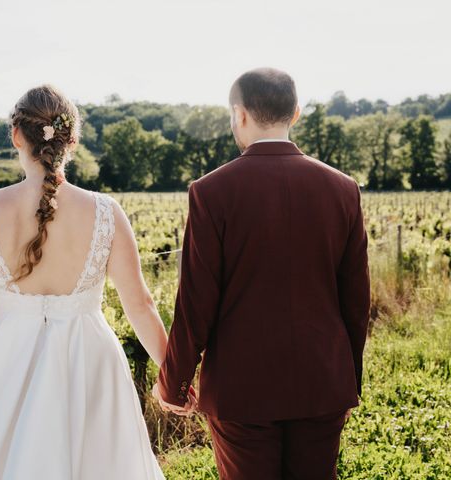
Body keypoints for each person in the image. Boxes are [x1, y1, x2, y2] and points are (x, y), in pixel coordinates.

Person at [0, 84, 179, 479]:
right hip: (91, 359)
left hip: (8, 355)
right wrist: (174, 377)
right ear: (73, 141)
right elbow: (140, 306)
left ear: (16, 136)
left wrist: (17, 317)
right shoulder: (106, 212)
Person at [153, 67, 371, 480]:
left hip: (241, 391)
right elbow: (356, 301)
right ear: (297, 113)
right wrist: (345, 377)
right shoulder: (343, 189)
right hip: (321, 383)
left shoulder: (211, 192)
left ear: (239, 114)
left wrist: (174, 384)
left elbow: (196, 303)